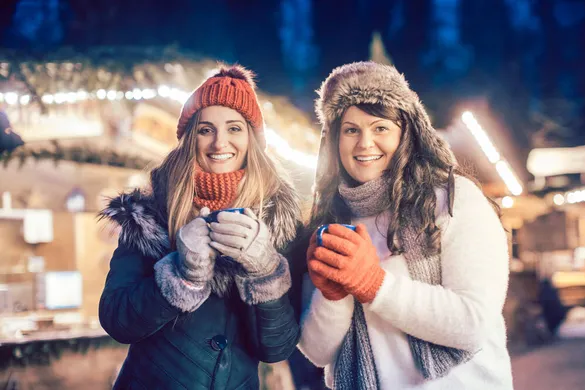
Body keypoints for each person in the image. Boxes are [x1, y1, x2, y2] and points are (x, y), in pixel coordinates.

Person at [297, 61, 513, 389]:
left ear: (406, 132)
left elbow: (473, 322)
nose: (364, 143)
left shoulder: (453, 199)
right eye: (351, 129)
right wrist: (332, 294)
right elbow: (316, 352)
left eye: (380, 127)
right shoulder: (330, 225)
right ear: (334, 141)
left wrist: (373, 284)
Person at [99, 64, 302, 390]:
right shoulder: (150, 215)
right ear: (191, 138)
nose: (219, 142)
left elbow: (277, 347)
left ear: (252, 139)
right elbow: (116, 320)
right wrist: (180, 276)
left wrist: (266, 271)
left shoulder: (281, 223)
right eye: (206, 129)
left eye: (234, 128)